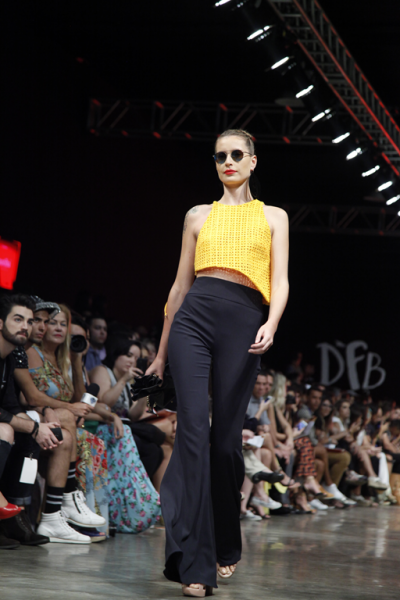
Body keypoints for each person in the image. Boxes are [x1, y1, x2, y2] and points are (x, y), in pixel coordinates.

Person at [146, 129, 289, 596]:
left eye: (236, 154)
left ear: (252, 161)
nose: (227, 161)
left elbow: (281, 280)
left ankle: (227, 538)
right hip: (194, 318)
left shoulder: (273, 217)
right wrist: (161, 353)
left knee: (226, 443)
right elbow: (178, 288)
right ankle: (196, 562)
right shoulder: (197, 215)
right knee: (192, 435)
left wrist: (271, 322)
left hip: (245, 321)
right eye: (219, 156)